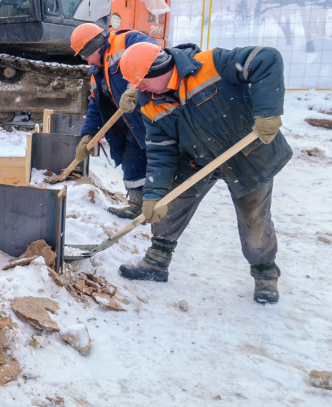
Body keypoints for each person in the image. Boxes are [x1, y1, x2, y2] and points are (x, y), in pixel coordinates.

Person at [117, 41, 291, 304]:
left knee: (254, 217)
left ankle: (265, 274)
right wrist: (154, 194)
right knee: (170, 203)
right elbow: (161, 153)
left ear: (161, 70)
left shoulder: (211, 65)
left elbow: (266, 58)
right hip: (197, 158)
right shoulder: (151, 103)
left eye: (141, 81)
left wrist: (268, 112)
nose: (139, 88)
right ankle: (156, 262)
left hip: (249, 153)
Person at [70, 23, 157, 218]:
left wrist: (136, 87)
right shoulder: (97, 72)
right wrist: (87, 135)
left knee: (159, 162)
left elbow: (153, 56)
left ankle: (158, 207)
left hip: (152, 117)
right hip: (131, 126)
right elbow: (96, 106)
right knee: (132, 162)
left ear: (94, 47)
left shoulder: (128, 41)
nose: (86, 61)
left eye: (85, 56)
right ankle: (137, 206)